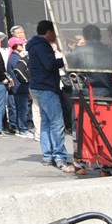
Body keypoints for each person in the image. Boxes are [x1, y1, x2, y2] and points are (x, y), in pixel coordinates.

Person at [27, 20, 75, 173]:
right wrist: (66, 59)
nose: (56, 36)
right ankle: (59, 156)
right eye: (55, 32)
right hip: (46, 87)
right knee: (56, 122)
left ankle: (48, 155)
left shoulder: (34, 45)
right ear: (49, 32)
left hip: (38, 86)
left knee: (47, 122)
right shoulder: (42, 45)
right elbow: (49, 64)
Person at [66, 23, 112, 98]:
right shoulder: (110, 51)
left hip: (86, 93)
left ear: (84, 37)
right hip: (107, 92)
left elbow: (69, 71)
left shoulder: (77, 52)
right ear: (100, 36)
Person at [7, 36, 34, 138]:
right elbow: (20, 74)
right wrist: (26, 88)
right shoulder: (15, 58)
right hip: (20, 87)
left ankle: (21, 128)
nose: (22, 45)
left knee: (20, 109)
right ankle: (23, 129)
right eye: (20, 44)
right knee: (22, 109)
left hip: (19, 87)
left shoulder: (14, 57)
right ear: (15, 46)